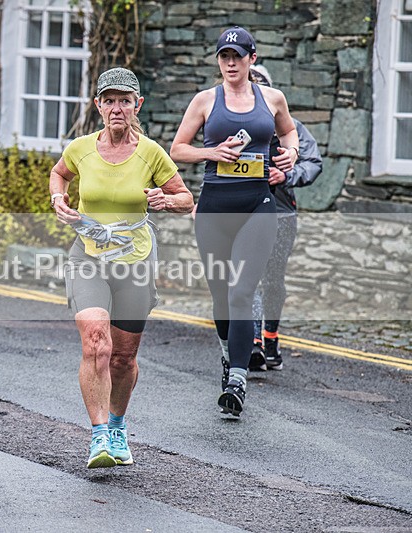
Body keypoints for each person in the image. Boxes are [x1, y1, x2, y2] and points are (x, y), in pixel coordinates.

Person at [50, 67, 194, 468]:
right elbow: (59, 173)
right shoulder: (80, 148)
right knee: (97, 342)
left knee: (123, 358)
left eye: (125, 100)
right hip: (89, 255)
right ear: (98, 105)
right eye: (109, 100)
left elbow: (186, 198)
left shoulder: (151, 153)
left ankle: (116, 425)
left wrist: (167, 201)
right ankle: (98, 438)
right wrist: (58, 199)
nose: (117, 108)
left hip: (134, 260)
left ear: (137, 105)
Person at [170, 26, 299, 418]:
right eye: (224, 56)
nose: (230, 63)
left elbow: (289, 131)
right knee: (222, 295)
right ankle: (229, 354)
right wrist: (213, 152)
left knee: (243, 291)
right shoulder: (206, 101)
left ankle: (238, 379)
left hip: (258, 206)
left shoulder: (272, 98)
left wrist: (290, 154)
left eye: (237, 56)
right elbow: (177, 149)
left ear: (252, 59)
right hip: (214, 209)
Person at [247, 64, 323, 372]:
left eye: (259, 85)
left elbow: (313, 162)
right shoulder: (230, 125)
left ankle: (271, 337)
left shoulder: (292, 128)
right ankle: (252, 342)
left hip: (281, 213)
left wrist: (287, 174)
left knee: (273, 278)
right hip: (243, 211)